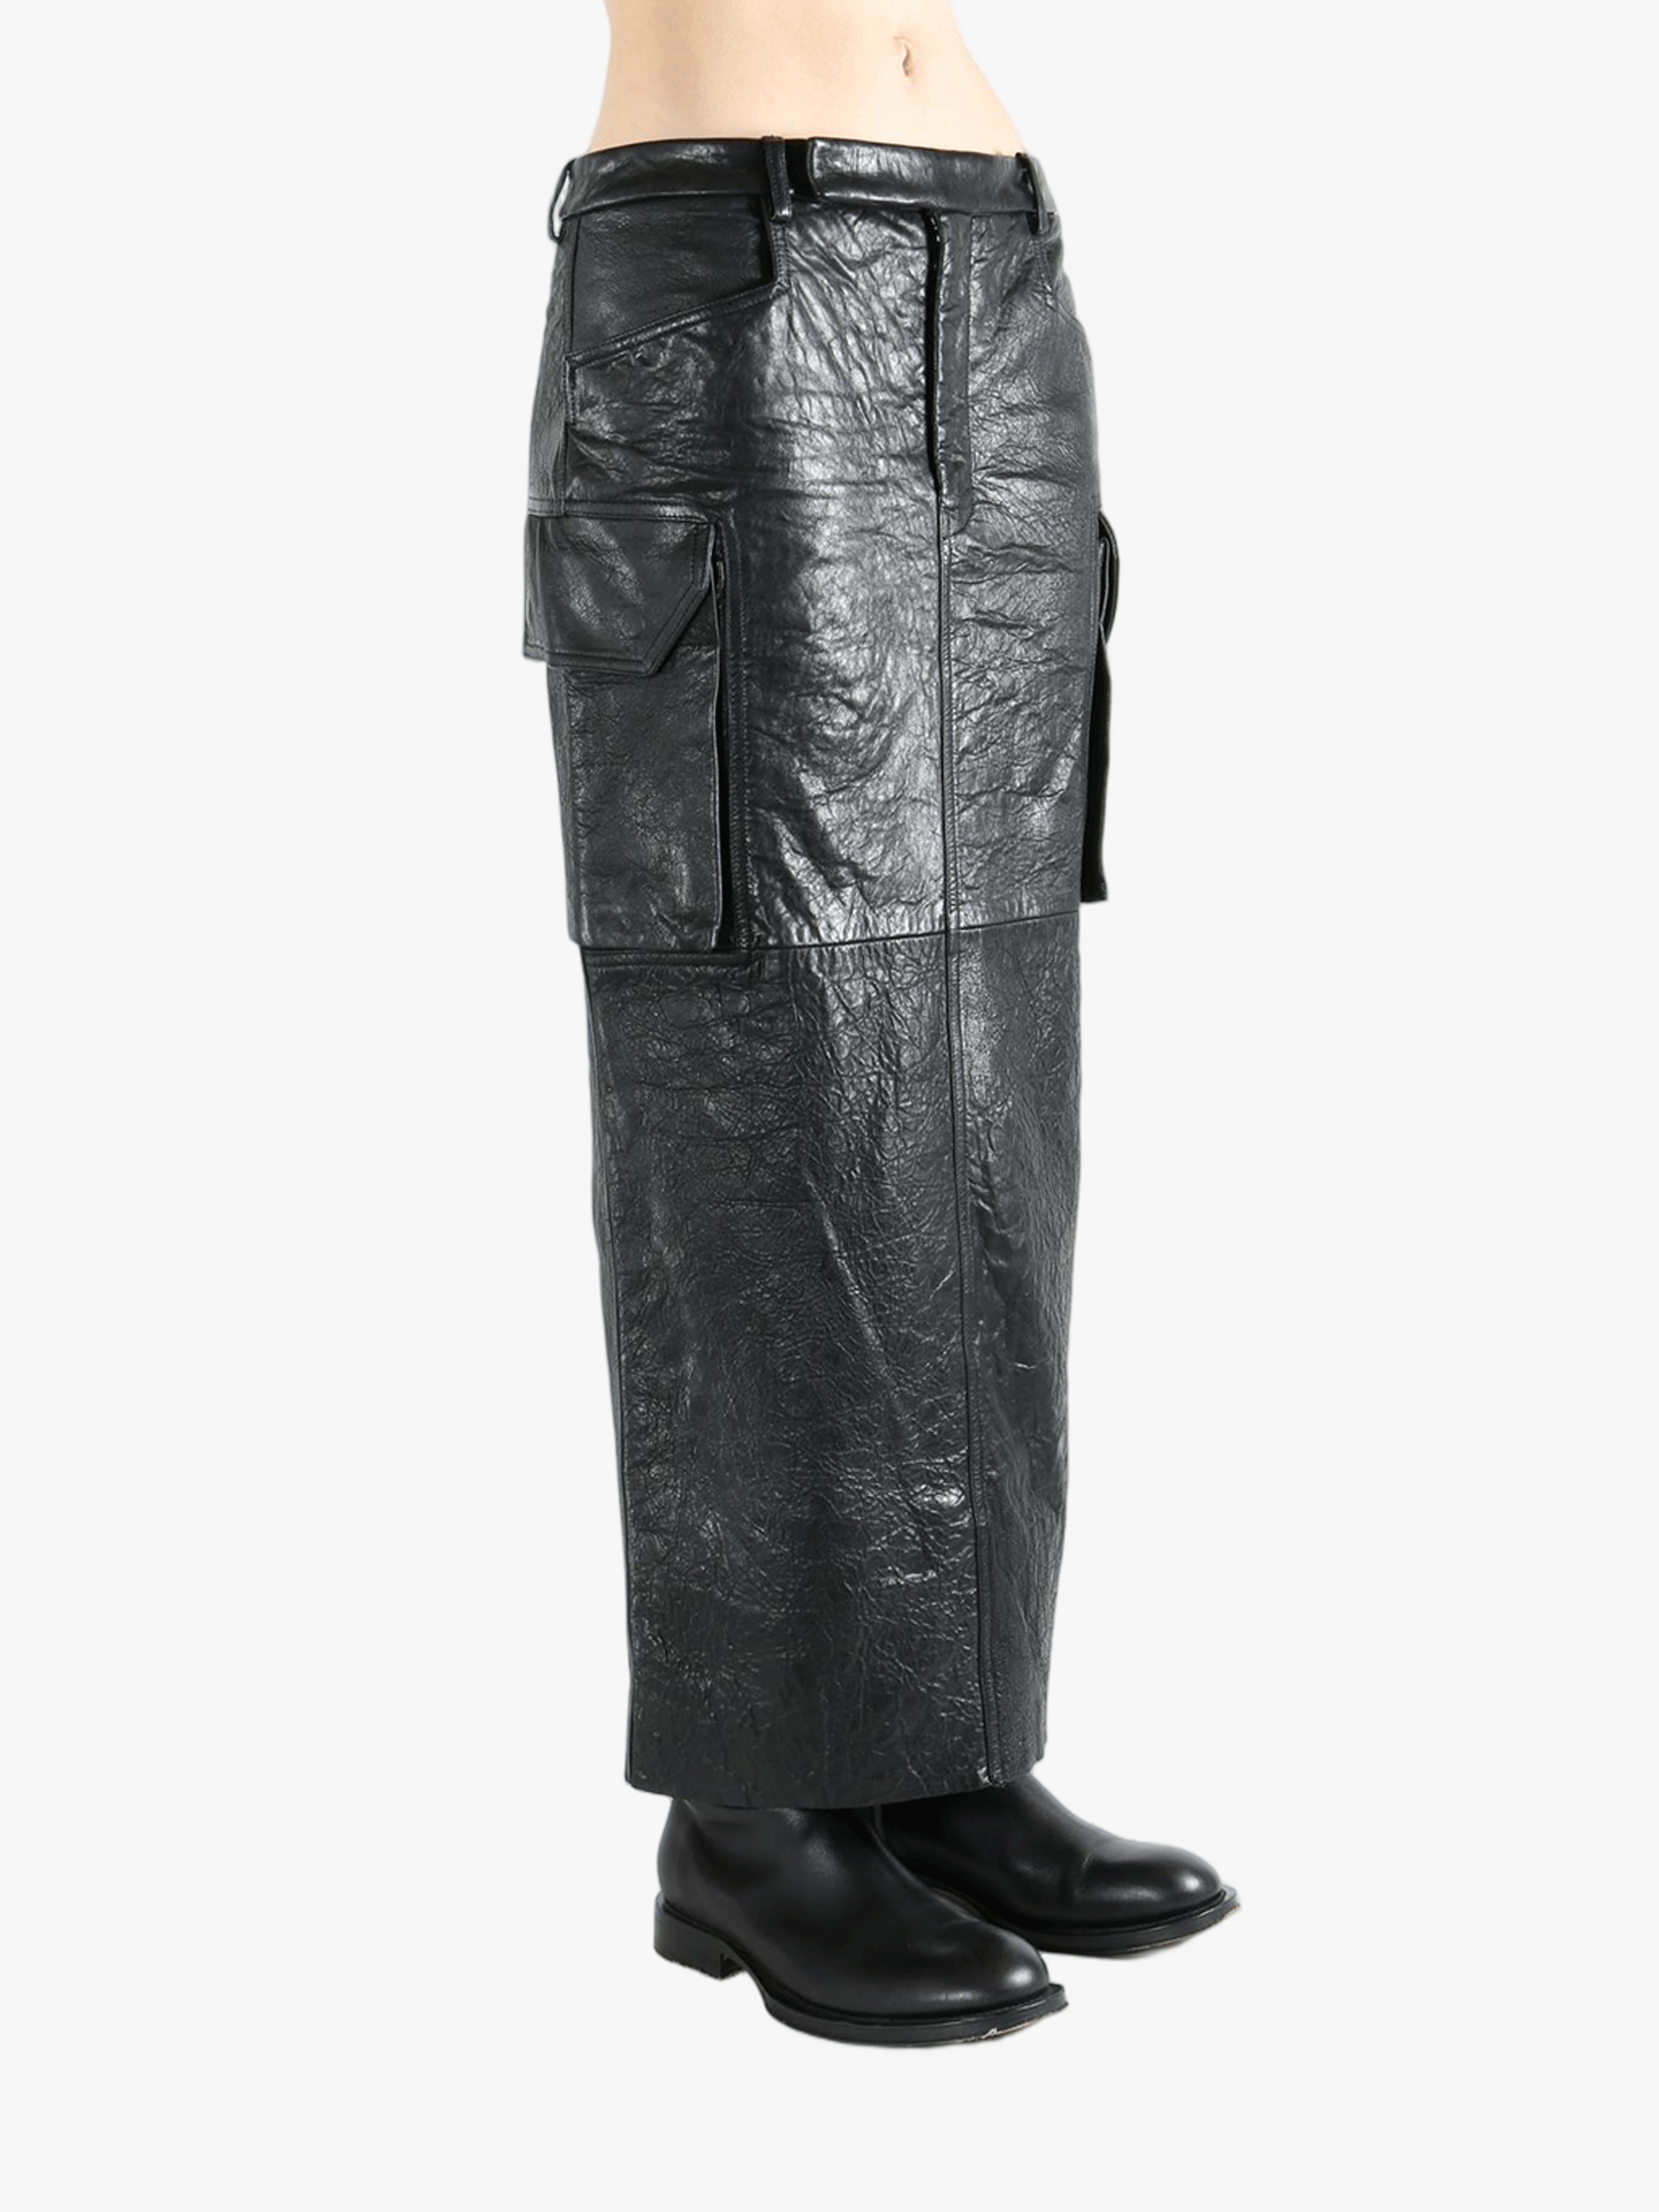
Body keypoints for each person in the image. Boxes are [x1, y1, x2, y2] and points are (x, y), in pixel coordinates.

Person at [522, 0, 1236, 2045]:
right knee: (774, 1070)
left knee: (985, 1078)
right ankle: (752, 1818)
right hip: (736, 295)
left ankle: (937, 1748)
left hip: (997, 288)